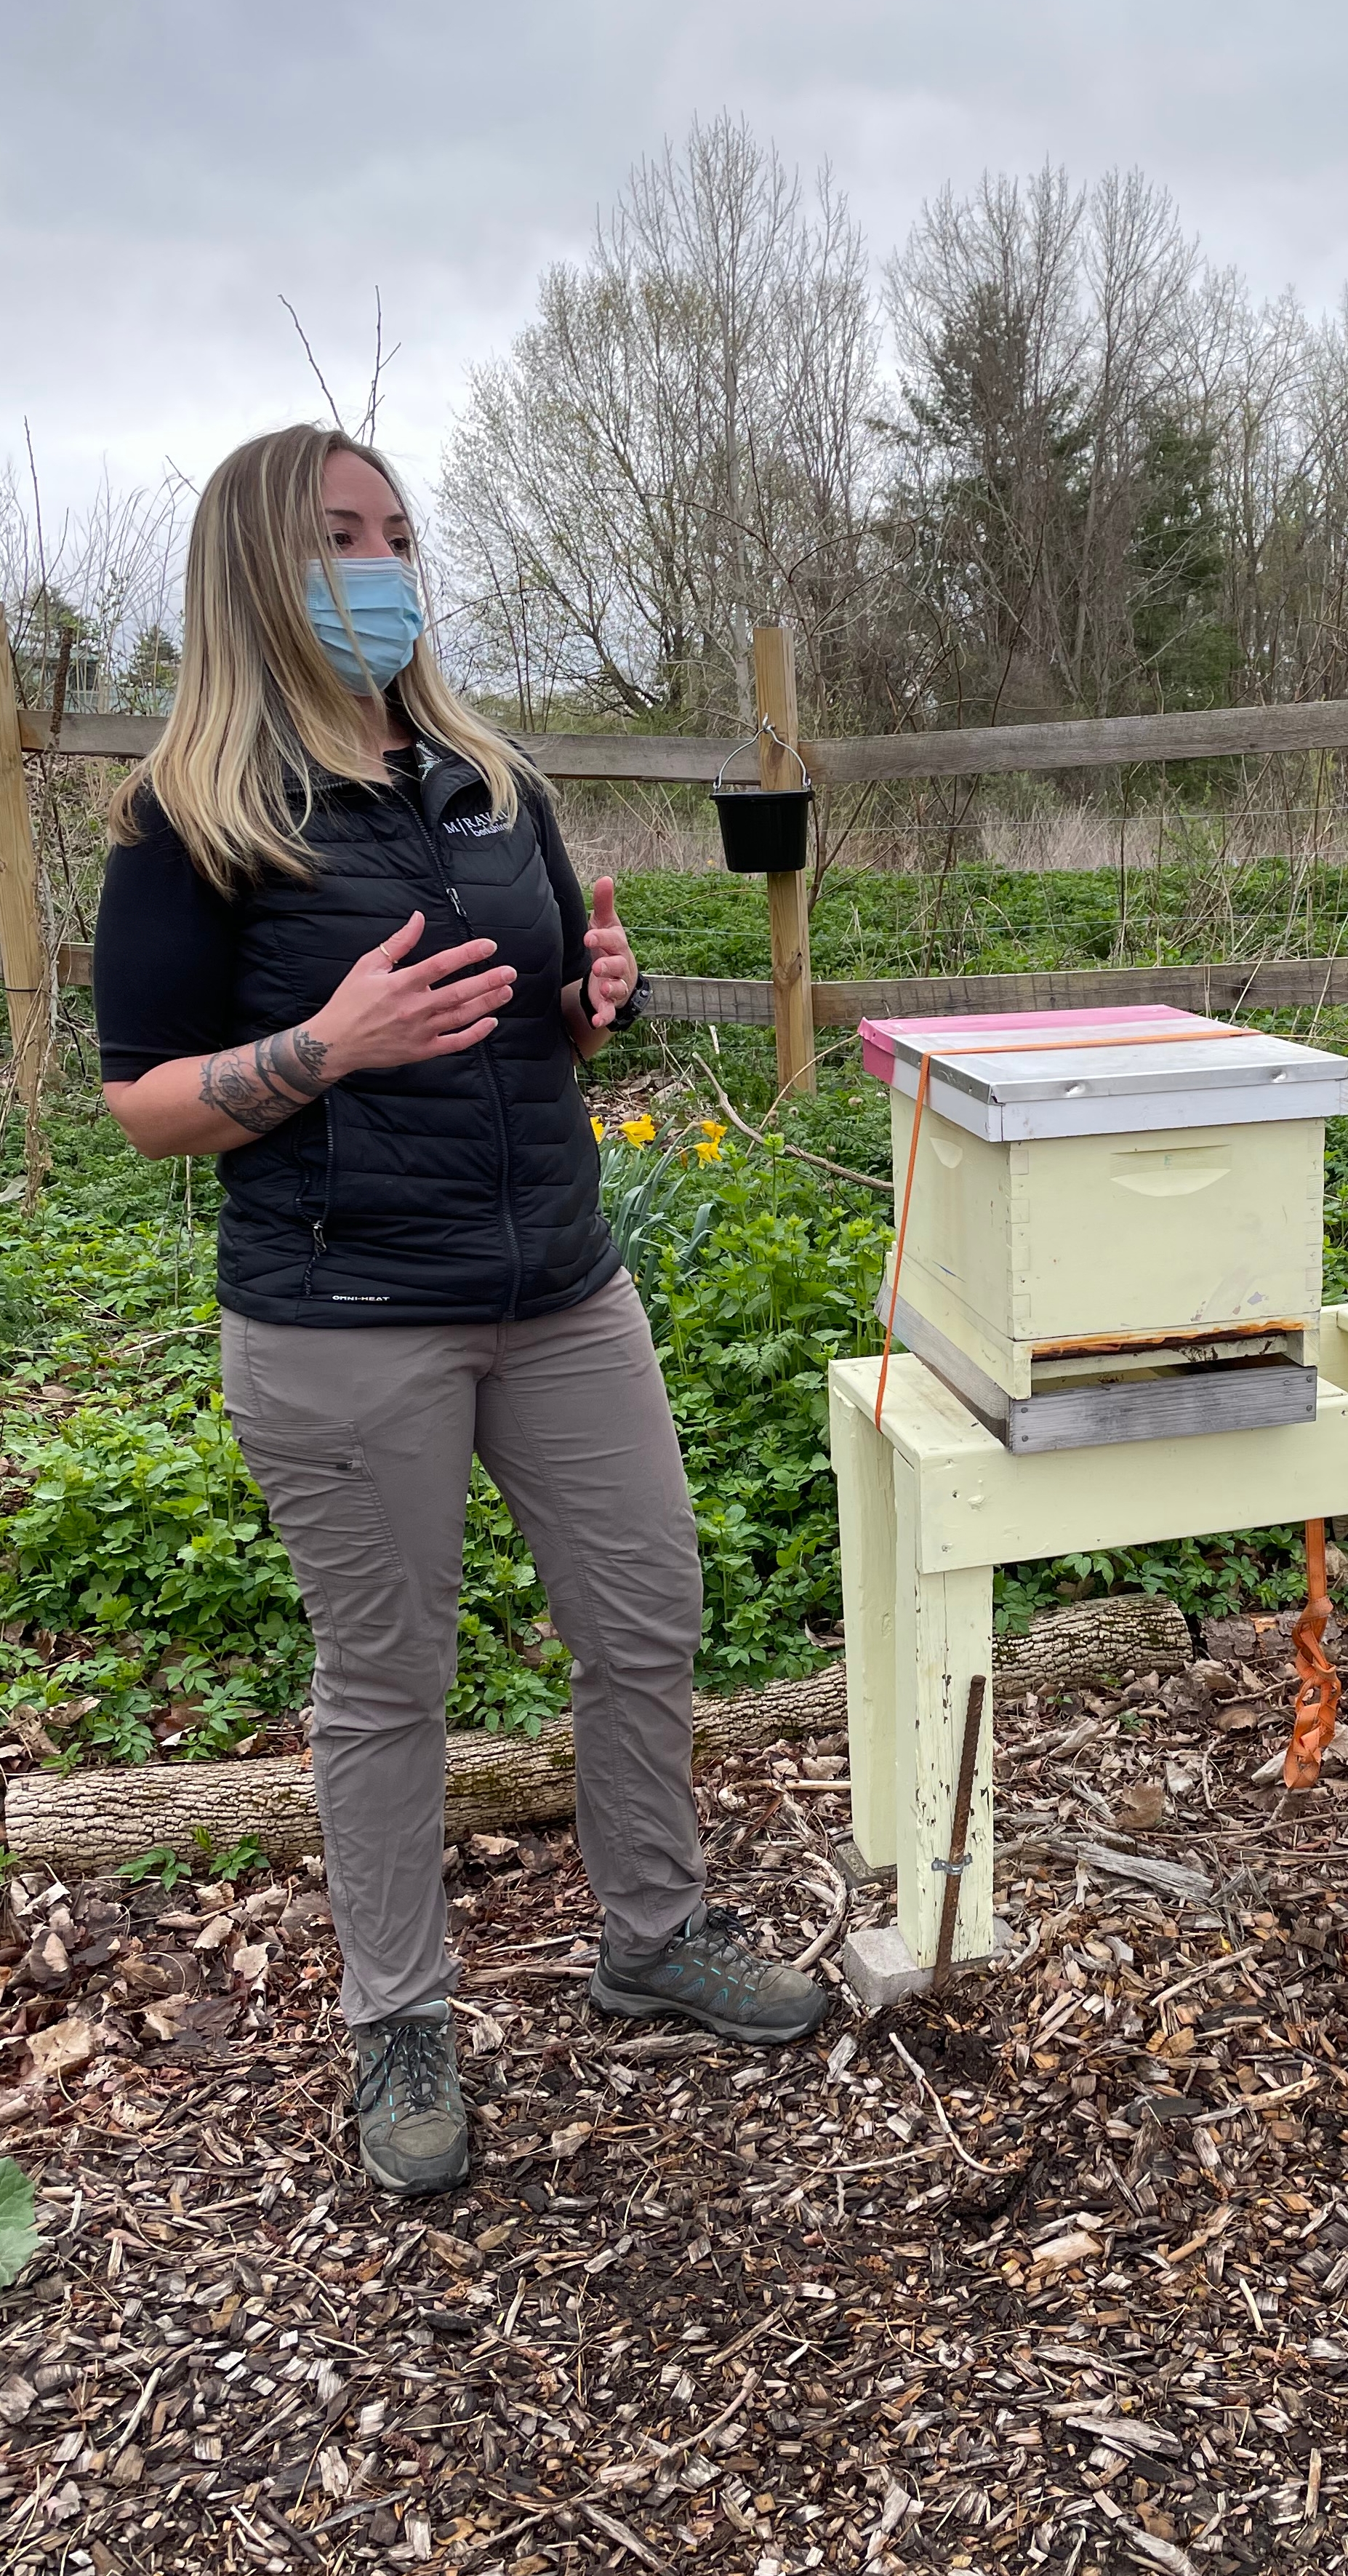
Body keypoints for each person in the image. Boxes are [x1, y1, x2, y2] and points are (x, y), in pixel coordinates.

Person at [92, 424, 825, 2199]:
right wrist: (322, 1047)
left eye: (400, 533)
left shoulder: (492, 780)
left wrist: (595, 1001)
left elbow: (536, 1014)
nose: (383, 567)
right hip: (347, 1315)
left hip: (561, 1285)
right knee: (388, 1683)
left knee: (648, 1613)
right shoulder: (193, 820)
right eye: (344, 535)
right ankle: (398, 2020)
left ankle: (649, 1936)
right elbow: (144, 1097)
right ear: (262, 563)